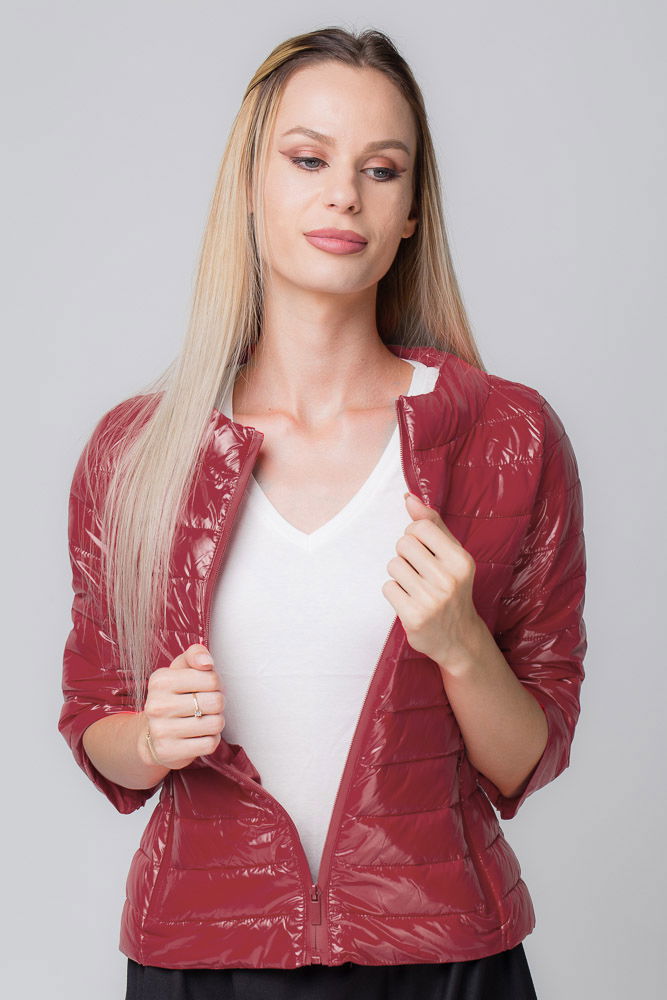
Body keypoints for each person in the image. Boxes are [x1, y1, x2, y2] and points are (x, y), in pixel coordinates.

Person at [58, 25, 587, 1000]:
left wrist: (462, 645)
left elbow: (526, 759)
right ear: (249, 183)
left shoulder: (506, 436)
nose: (344, 193)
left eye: (380, 170)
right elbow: (95, 715)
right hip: (202, 959)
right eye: (308, 159)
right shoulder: (137, 453)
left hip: (442, 958)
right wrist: (150, 738)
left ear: (411, 212)